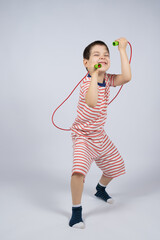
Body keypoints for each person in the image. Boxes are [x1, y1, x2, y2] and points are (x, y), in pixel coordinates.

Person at [69, 38, 132, 229]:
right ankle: (76, 212)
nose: (102, 57)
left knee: (116, 166)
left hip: (99, 135)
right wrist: (95, 74)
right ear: (86, 62)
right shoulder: (87, 83)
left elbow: (127, 77)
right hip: (83, 135)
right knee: (78, 171)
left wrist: (122, 50)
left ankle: (100, 189)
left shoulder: (109, 78)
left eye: (106, 55)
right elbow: (92, 102)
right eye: (97, 55)